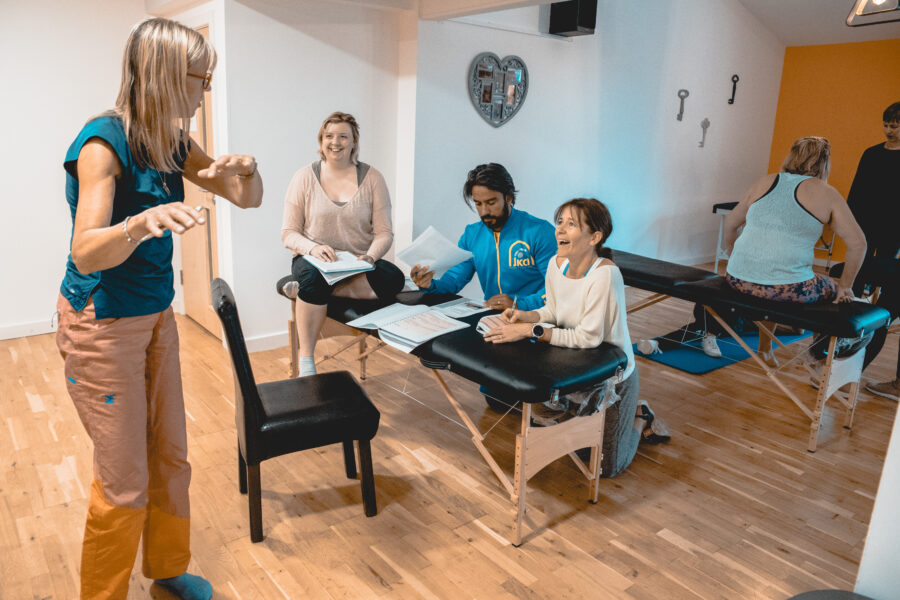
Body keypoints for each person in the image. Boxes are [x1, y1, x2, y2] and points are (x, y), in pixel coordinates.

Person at [55, 18, 262, 600]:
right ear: (169, 76)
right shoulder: (103, 143)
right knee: (124, 480)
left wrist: (247, 171)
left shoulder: (170, 140)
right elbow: (86, 250)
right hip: (102, 324)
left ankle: (167, 571)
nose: (206, 91)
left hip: (155, 317)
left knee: (171, 455)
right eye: (203, 79)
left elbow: (245, 198)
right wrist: (141, 222)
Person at [483, 198, 667, 478]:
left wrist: (530, 330)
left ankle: (640, 417)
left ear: (594, 237)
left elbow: (588, 338)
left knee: (605, 468)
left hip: (612, 377)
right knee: (576, 449)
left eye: (571, 224)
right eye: (560, 222)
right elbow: (554, 311)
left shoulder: (605, 275)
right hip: (576, 368)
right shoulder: (556, 265)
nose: (560, 230)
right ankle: (586, 418)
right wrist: (525, 315)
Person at [409, 163, 556, 411]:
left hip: (537, 318)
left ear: (509, 197)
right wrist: (429, 284)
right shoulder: (472, 234)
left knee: (528, 396)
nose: (484, 211)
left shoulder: (539, 232)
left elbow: (558, 290)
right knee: (499, 403)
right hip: (499, 321)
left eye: (491, 202)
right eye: (478, 204)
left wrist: (520, 303)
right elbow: (455, 279)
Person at [723, 136, 867, 364]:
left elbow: (730, 224)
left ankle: (765, 348)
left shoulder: (766, 181)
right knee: (832, 288)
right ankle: (818, 357)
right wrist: (846, 287)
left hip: (737, 281)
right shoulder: (826, 192)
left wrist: (735, 260)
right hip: (786, 289)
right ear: (824, 162)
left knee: (776, 280)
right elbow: (859, 244)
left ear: (791, 155)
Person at [282, 112, 404, 377]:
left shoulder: (373, 178)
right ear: (321, 140)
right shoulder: (304, 177)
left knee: (394, 278)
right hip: (314, 261)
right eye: (329, 136)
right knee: (312, 279)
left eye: (342, 136)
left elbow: (384, 233)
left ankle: (308, 294)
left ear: (353, 142)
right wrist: (313, 248)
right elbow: (289, 233)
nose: (335, 142)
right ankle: (306, 360)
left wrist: (370, 257)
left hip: (357, 264)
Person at [840, 102, 900, 400]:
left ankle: (858, 357)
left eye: (896, 125)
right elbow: (856, 192)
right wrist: (849, 226)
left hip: (893, 234)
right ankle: (838, 352)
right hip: (866, 229)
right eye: (887, 124)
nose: (890, 130)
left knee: (886, 293)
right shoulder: (872, 153)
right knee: (855, 288)